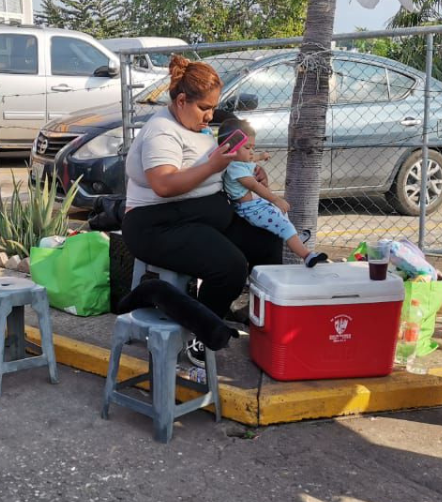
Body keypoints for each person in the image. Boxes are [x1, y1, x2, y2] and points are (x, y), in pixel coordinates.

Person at [121, 55, 283, 367]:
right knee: (230, 266)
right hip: (156, 224)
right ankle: (199, 338)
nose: (210, 115)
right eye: (204, 108)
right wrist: (212, 164)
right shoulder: (162, 131)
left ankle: (259, 322)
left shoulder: (194, 125)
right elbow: (164, 185)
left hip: (198, 216)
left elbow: (207, 172)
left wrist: (248, 172)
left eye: (212, 107)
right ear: (181, 100)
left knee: (267, 239)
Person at [219, 117, 328, 268]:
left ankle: (293, 239)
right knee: (282, 219)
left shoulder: (240, 161)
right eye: (247, 148)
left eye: (253, 147)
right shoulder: (235, 168)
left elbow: (252, 158)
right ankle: (307, 255)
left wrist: (261, 156)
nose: (251, 152)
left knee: (282, 215)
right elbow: (255, 186)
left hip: (255, 205)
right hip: (251, 209)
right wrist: (276, 199)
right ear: (231, 148)